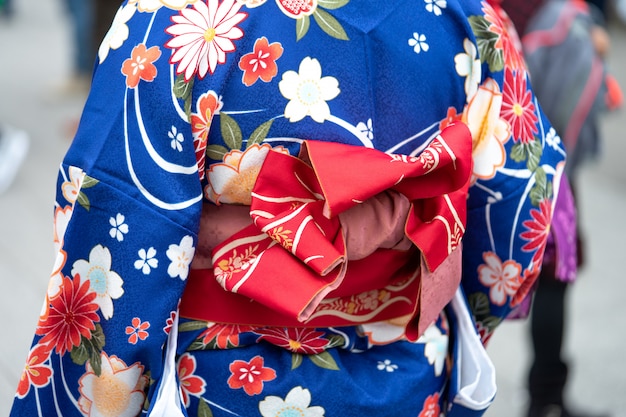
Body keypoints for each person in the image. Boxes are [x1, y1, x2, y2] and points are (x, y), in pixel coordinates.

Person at [9, 1, 566, 416]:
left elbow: (116, 235)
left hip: (222, 386)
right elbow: (516, 227)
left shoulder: (179, 19)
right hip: (407, 381)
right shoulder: (472, 20)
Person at [500, 1, 622, 416]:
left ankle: (545, 393)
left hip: (495, 143)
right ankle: (544, 398)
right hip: (543, 159)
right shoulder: (560, 19)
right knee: (553, 277)